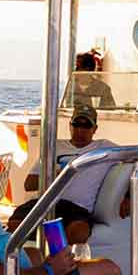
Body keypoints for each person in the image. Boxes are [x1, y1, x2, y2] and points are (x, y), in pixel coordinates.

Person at [17, 103, 125, 245]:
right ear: (70, 126)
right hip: (47, 204)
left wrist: (128, 196)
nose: (80, 130)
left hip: (78, 209)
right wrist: (54, 175)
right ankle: (48, 250)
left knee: (79, 232)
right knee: (15, 225)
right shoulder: (54, 147)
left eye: (86, 126)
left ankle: (55, 253)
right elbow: (29, 184)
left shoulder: (104, 148)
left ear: (95, 129)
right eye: (76, 124)